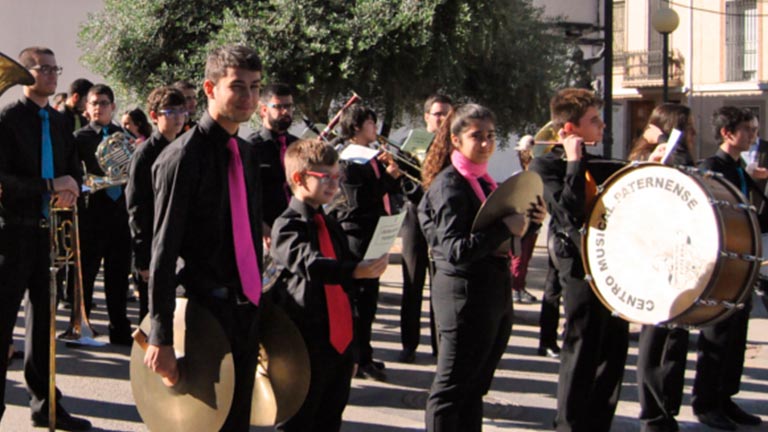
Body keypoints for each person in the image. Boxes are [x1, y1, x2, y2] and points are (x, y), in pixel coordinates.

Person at [144, 45, 264, 431]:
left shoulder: (245, 153)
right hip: (203, 316)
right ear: (210, 89)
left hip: (246, 311)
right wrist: (160, 336)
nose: (249, 97)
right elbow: (163, 250)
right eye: (238, 87)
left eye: (255, 87)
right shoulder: (181, 158)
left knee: (239, 422)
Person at [418, 103, 545, 432]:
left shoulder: (485, 181)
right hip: (464, 297)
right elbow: (455, 249)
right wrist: (505, 227)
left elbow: (502, 239)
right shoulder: (450, 186)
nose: (487, 143)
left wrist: (530, 225)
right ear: (456, 141)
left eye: (491, 135)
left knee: (474, 389)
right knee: (451, 391)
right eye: (477, 136)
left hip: (492, 293)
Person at [0, 46, 91, 431]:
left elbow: (72, 169)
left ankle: (45, 405)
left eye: (57, 69)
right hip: (11, 232)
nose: (53, 75)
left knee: (43, 325)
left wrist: (74, 186)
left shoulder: (58, 122)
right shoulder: (7, 119)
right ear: (27, 72)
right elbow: (3, 183)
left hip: (47, 232)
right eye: (45, 69)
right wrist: (51, 184)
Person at [270, 138, 389, 431]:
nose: (335, 185)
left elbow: (345, 291)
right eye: (326, 178)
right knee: (298, 420)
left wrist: (353, 346)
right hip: (304, 343)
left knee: (330, 419)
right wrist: (353, 271)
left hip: (338, 345)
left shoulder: (331, 223)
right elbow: (309, 263)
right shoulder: (287, 226)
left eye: (338, 177)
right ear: (299, 178)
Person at [529, 88, 629, 432]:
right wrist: (573, 162)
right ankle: (569, 424)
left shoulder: (595, 158)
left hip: (609, 263)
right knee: (582, 344)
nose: (602, 126)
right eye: (594, 120)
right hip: (576, 263)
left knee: (614, 345)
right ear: (570, 128)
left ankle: (600, 421)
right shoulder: (544, 164)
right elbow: (568, 211)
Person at [692, 106, 764, 430]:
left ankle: (726, 398)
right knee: (718, 335)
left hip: (743, 263)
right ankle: (706, 403)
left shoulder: (739, 168)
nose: (753, 135)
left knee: (736, 336)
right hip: (721, 266)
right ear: (727, 133)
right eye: (748, 129)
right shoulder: (711, 168)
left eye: (754, 129)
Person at [628, 103, 697, 432]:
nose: (693, 134)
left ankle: (665, 408)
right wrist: (665, 148)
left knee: (675, 339)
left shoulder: (675, 156)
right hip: (656, 259)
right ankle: (654, 413)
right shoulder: (649, 158)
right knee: (657, 339)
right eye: (688, 127)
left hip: (678, 256)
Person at [330, 103, 401, 382]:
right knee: (359, 300)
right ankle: (358, 359)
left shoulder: (371, 157)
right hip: (357, 236)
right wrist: (386, 179)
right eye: (371, 123)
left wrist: (392, 176)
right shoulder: (348, 160)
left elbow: (386, 191)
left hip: (376, 231)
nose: (376, 128)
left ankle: (366, 354)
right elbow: (356, 203)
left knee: (370, 299)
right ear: (356, 127)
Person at [74, 84, 133, 345]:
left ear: (113, 107)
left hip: (120, 216)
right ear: (86, 108)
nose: (99, 107)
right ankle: (82, 325)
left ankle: (119, 327)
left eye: (105, 103)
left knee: (118, 275)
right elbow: (74, 174)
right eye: (94, 103)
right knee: (86, 273)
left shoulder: (125, 137)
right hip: (91, 215)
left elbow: (133, 175)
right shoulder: (78, 138)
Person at [125, 86, 186, 322]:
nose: (178, 118)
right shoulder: (144, 154)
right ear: (154, 116)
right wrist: (142, 259)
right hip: (153, 244)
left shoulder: (184, 147)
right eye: (170, 112)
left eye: (181, 111)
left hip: (178, 244)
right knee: (152, 315)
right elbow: (136, 207)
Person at [398, 94, 452, 363]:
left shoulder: (455, 144)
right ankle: (409, 343)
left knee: (441, 283)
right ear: (427, 117)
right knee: (412, 280)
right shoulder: (414, 144)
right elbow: (403, 183)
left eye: (446, 113)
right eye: (437, 114)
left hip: (443, 219)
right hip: (415, 216)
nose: (442, 118)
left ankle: (440, 345)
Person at [247, 82, 298, 246]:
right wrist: (262, 227)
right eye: (278, 107)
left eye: (289, 106)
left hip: (299, 228)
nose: (285, 112)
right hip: (269, 233)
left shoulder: (297, 145)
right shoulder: (250, 149)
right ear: (263, 110)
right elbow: (246, 196)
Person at [510, 135, 539, 304]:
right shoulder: (518, 176)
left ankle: (519, 287)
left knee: (525, 257)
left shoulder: (536, 175)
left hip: (533, 221)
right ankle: (515, 288)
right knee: (518, 257)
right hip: (521, 220)